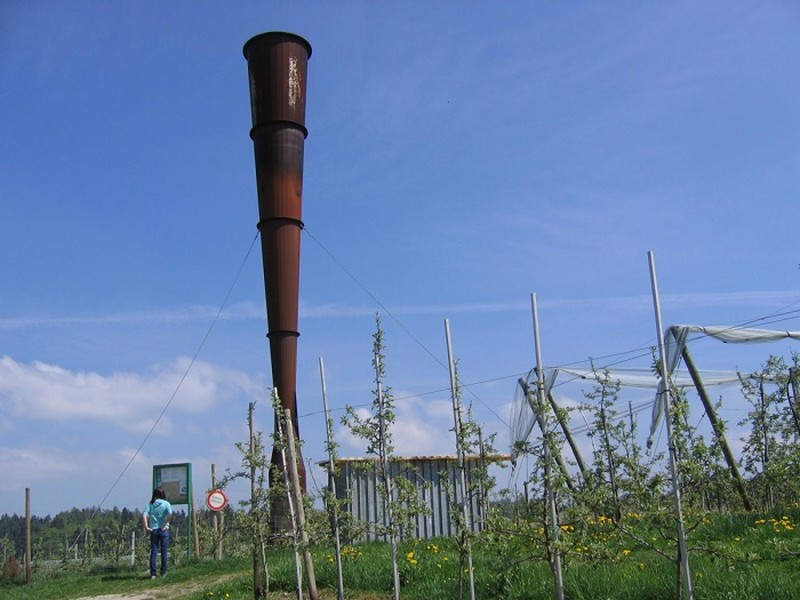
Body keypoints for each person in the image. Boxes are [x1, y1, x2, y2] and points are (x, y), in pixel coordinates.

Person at [143, 487, 173, 579]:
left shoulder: (151, 504)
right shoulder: (166, 504)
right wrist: (165, 523)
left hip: (154, 530)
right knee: (164, 552)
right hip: (163, 529)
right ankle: (163, 572)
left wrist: (147, 527)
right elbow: (170, 514)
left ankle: (153, 573)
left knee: (154, 552)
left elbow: (144, 515)